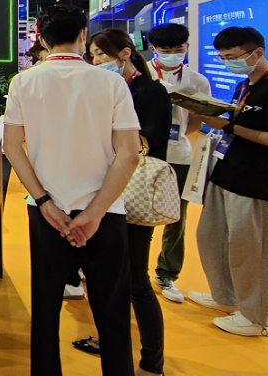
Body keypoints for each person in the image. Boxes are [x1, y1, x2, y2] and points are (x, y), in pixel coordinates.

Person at [2, 5, 142, 376]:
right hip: (105, 212)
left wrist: (45, 201)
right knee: (113, 311)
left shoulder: (24, 82)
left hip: (46, 212)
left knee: (45, 308)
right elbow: (129, 155)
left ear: (40, 37)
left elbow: (12, 147)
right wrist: (94, 213)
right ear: (83, 35)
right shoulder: (111, 83)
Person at [189, 26, 268, 337]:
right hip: (227, 173)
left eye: (233, 57)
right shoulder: (244, 86)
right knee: (214, 238)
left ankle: (258, 318)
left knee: (252, 250)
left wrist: (229, 127)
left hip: (257, 182)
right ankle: (227, 297)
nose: (228, 62)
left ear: (257, 53)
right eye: (223, 57)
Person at [78, 28, 171, 376]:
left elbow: (147, 143)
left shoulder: (151, 91)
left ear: (125, 53)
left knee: (135, 281)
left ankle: (152, 362)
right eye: (93, 55)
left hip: (132, 193)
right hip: (102, 193)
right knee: (105, 276)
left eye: (101, 54)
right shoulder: (107, 88)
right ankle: (109, 339)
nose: (96, 61)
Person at [147, 22, 212, 303]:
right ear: (154, 49)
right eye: (166, 50)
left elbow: (198, 120)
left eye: (178, 49)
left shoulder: (197, 81)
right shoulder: (143, 73)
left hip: (180, 154)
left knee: (177, 217)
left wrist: (178, 133)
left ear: (187, 46)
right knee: (135, 211)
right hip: (144, 154)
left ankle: (167, 273)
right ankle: (132, 268)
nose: (173, 54)